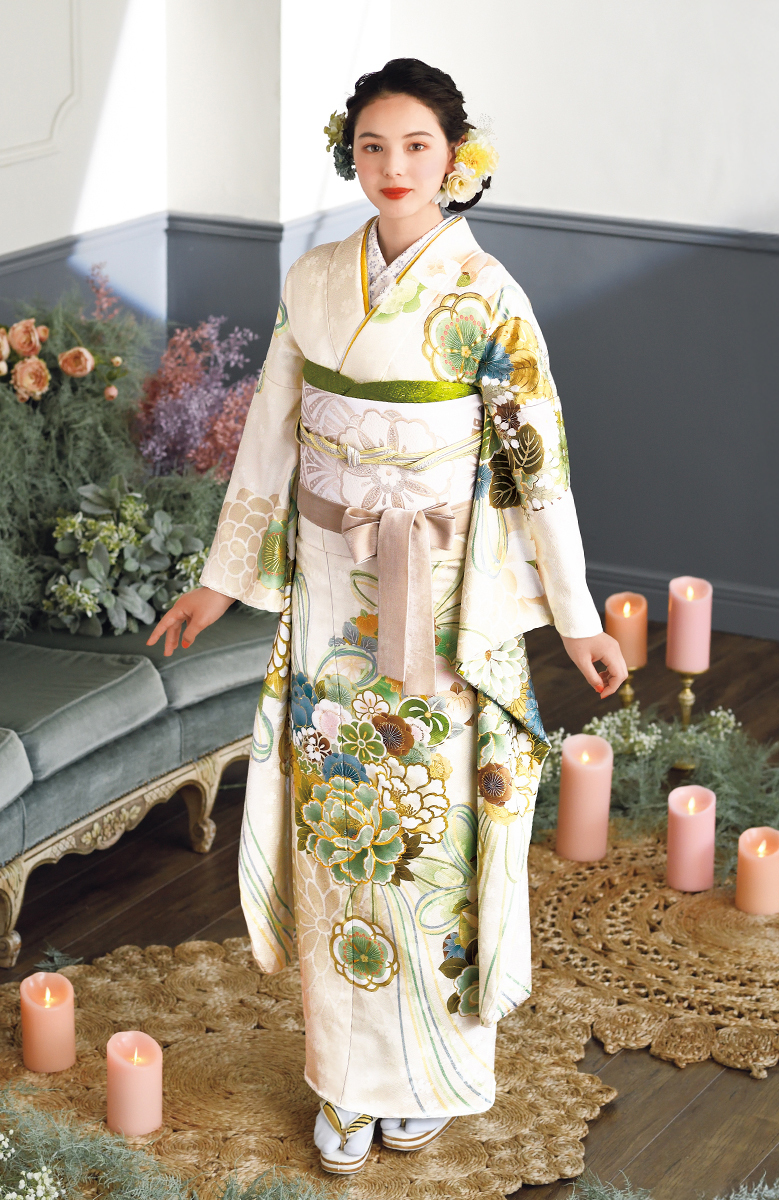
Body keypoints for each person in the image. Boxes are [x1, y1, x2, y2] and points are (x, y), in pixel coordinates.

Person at [147, 57, 626, 1176]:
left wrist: (574, 615)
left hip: (444, 607)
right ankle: (344, 1081)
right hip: (331, 601)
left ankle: (428, 1076)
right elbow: (270, 431)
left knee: (428, 834)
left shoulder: (487, 296)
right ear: (349, 156)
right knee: (340, 837)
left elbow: (537, 465)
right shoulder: (315, 280)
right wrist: (220, 577)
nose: (393, 166)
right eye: (372, 146)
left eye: (415, 145)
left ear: (455, 158)